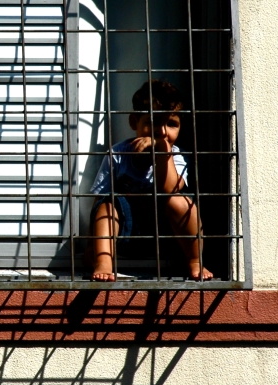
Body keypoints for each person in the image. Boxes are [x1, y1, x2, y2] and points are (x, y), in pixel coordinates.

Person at [87, 80, 213, 281]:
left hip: (166, 236)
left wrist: (163, 151)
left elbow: (169, 188)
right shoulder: (119, 154)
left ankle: (195, 260)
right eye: (153, 122)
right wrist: (90, 246)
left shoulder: (177, 156)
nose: (162, 132)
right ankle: (103, 261)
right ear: (134, 122)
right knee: (107, 204)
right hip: (127, 234)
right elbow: (98, 203)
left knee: (180, 202)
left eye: (171, 124)